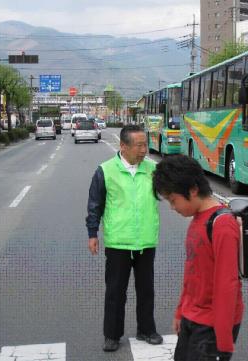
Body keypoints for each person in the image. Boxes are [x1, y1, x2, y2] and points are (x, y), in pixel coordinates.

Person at [152, 155, 243, 361]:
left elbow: (227, 284)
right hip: (191, 316)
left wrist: (223, 341)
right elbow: (192, 272)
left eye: (173, 200)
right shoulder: (196, 219)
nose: (172, 207)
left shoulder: (222, 225)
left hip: (212, 324)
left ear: (192, 190)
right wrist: (180, 311)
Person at [86, 124, 162, 352]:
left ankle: (146, 329)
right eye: (139, 145)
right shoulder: (105, 170)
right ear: (123, 146)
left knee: (146, 289)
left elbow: (172, 191)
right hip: (118, 242)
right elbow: (94, 205)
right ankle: (112, 335)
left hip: (146, 241)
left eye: (145, 145)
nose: (143, 150)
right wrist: (92, 234)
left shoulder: (152, 169)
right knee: (115, 292)